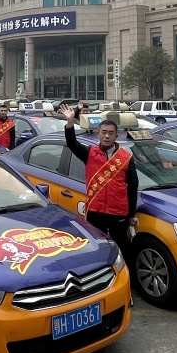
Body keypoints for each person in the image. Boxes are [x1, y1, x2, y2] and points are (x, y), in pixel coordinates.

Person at [61, 106, 138, 251]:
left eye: (111, 133)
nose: (107, 136)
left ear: (116, 136)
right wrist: (70, 121)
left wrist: (131, 214)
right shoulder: (89, 153)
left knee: (122, 247)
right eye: (104, 132)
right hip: (95, 210)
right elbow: (72, 143)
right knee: (98, 246)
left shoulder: (126, 158)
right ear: (98, 134)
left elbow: (133, 186)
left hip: (118, 212)